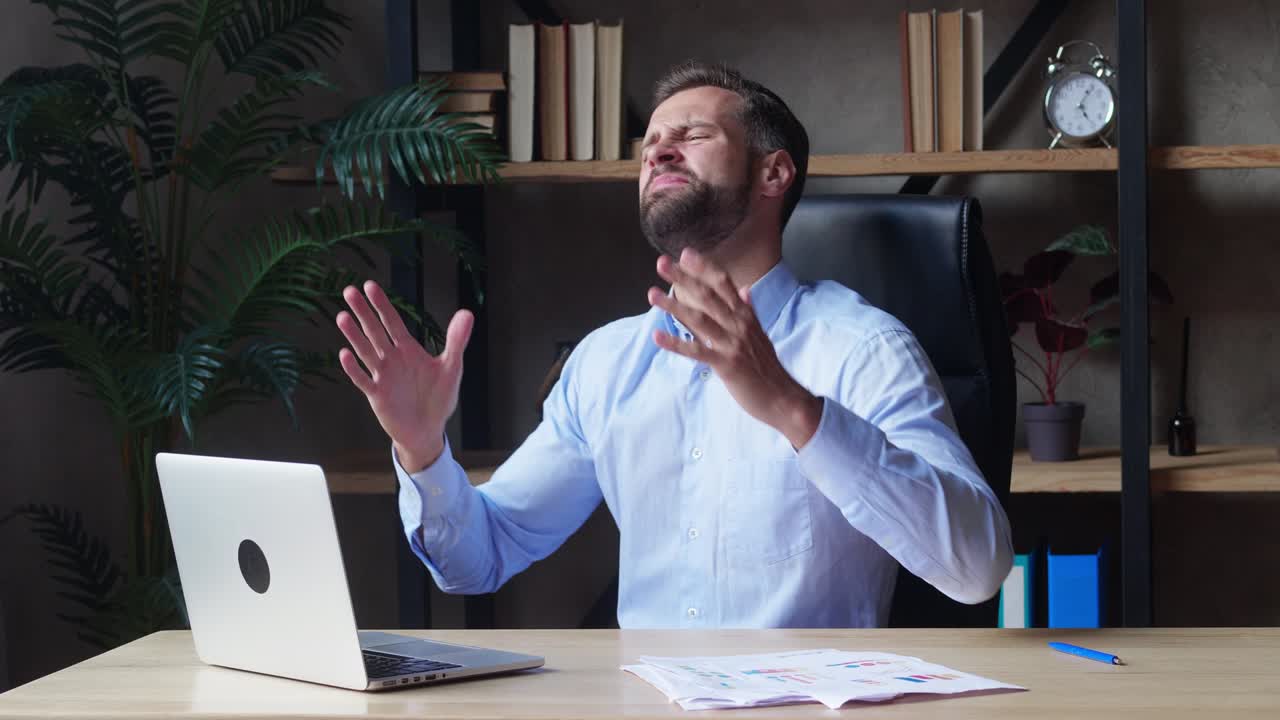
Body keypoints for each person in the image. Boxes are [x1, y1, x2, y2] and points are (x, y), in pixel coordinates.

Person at [334, 61, 1012, 628]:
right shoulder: (605, 364)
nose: (657, 150)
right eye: (649, 142)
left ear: (774, 174)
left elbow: (978, 569)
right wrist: (422, 452)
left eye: (692, 134)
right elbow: (480, 558)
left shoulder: (865, 350)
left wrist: (791, 406)